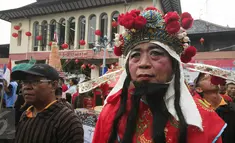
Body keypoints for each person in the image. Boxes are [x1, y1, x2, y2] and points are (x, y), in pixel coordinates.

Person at [92, 7, 225, 143]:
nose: (143, 63)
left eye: (155, 53)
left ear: (174, 65)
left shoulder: (203, 120)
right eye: (136, 55)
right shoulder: (111, 113)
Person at [11, 63, 83, 143]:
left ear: (53, 85)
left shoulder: (67, 121)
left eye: (35, 81)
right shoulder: (25, 115)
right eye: (25, 82)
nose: (26, 87)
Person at [188, 63, 235, 143]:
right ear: (199, 89)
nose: (212, 78)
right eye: (205, 78)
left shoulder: (232, 108)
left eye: (212, 76)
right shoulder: (195, 111)